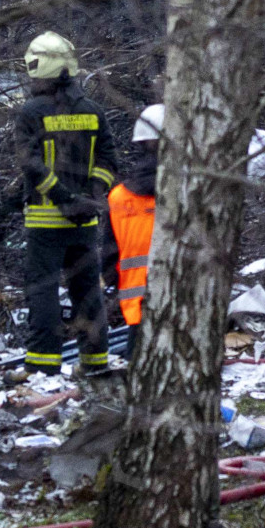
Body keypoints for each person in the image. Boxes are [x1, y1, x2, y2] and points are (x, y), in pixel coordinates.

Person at [0, 33, 116, 376]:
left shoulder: (31, 113)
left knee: (43, 292)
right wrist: (93, 197)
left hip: (46, 223)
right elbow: (108, 159)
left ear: (40, 69)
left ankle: (41, 366)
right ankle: (95, 363)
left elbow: (32, 166)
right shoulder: (92, 111)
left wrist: (64, 199)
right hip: (85, 224)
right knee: (87, 294)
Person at [106, 105, 162, 364]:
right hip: (182, 300)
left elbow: (109, 253)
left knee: (137, 369)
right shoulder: (188, 192)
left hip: (135, 302)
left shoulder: (118, 197)